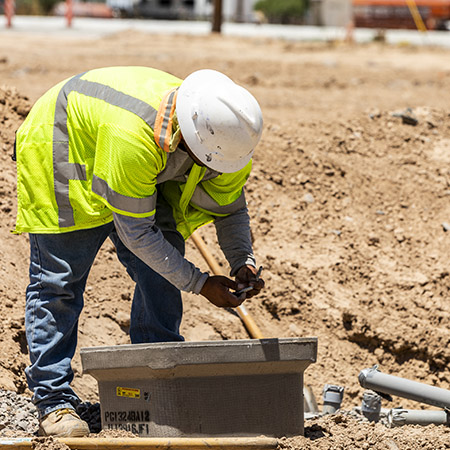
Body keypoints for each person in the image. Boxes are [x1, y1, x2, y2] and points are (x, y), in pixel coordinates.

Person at [14, 67, 265, 437]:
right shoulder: (132, 136)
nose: (213, 171)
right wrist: (199, 283)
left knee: (159, 273)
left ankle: (155, 389)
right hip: (64, 149)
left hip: (135, 162)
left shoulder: (222, 137)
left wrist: (243, 260)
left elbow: (231, 208)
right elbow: (138, 235)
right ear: (189, 140)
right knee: (59, 284)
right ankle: (54, 402)